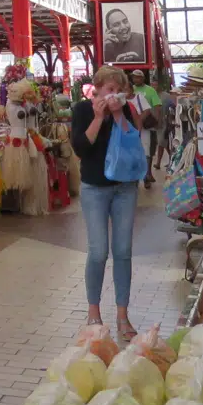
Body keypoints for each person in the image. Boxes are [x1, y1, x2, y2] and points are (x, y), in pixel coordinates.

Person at [70, 66, 147, 341]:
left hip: (124, 187)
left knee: (123, 250)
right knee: (98, 251)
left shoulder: (124, 110)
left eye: (118, 89)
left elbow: (132, 141)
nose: (114, 94)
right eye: (109, 89)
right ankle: (94, 312)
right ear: (98, 88)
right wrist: (99, 116)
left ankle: (123, 315)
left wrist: (116, 114)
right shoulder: (81, 110)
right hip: (94, 188)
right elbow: (81, 147)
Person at [130, 70, 163, 188]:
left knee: (148, 151)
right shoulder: (130, 90)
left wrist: (157, 120)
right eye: (134, 78)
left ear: (143, 78)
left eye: (138, 77)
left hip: (147, 126)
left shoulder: (150, 90)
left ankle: (147, 174)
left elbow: (157, 106)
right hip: (132, 127)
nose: (136, 80)